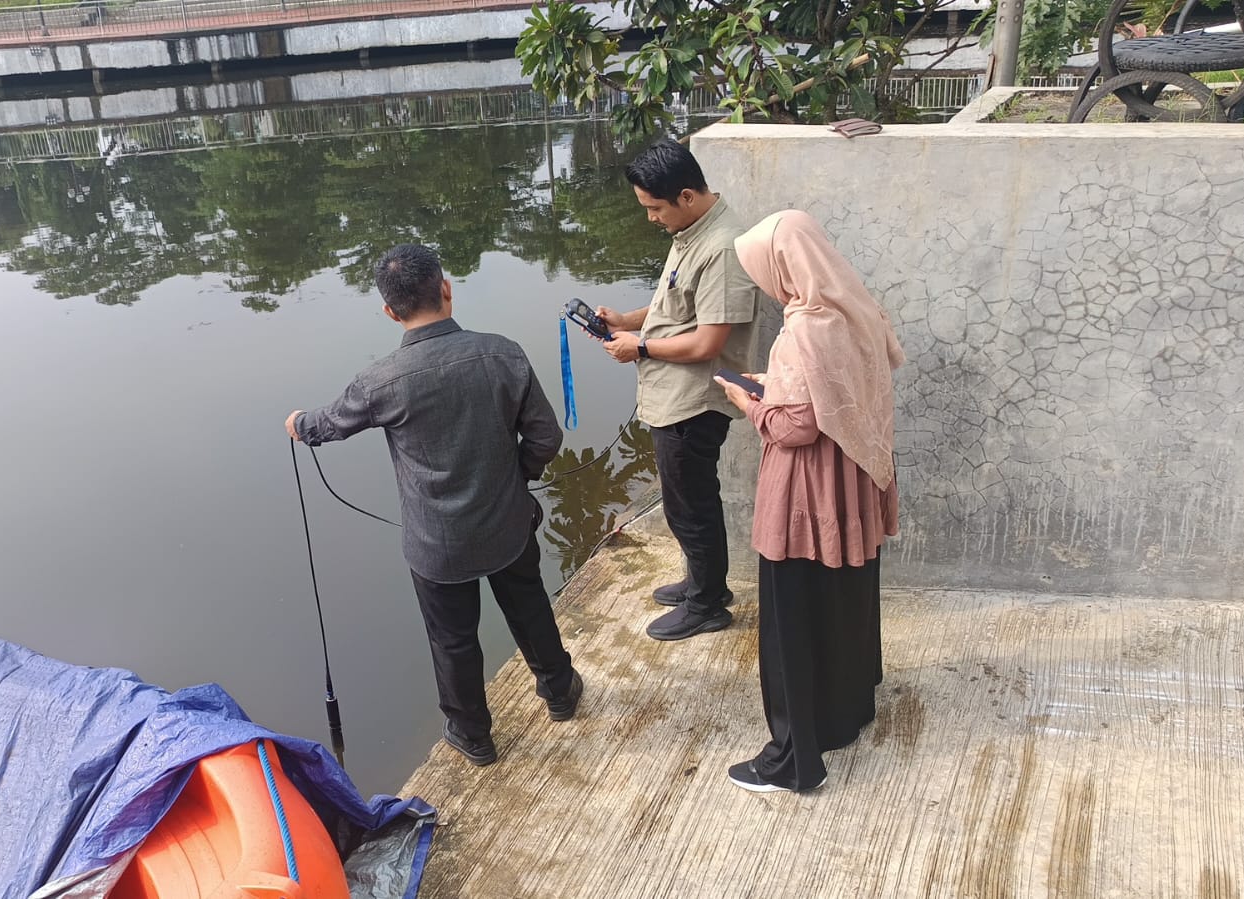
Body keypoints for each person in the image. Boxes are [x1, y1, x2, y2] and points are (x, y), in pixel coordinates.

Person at [284, 244, 581, 767]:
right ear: (446, 288)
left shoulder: (380, 380)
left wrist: (298, 424)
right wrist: (518, 478)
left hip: (436, 543)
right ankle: (559, 692)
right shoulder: (502, 353)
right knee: (530, 608)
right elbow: (545, 437)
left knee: (453, 640)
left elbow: (328, 424)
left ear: (389, 311)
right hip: (508, 523)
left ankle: (473, 735)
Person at [716, 209, 904, 793]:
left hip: (808, 489)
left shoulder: (804, 331)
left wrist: (748, 400)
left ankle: (793, 758)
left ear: (784, 265)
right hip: (853, 479)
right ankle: (847, 712)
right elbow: (838, 394)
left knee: (791, 616)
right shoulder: (856, 311)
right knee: (842, 597)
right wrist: (776, 388)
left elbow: (795, 427)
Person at [593, 138, 762, 641]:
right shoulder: (690, 230)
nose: (651, 219)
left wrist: (639, 349)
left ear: (686, 196)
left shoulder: (723, 248)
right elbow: (673, 304)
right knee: (681, 500)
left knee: (692, 504)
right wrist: (626, 320)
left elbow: (710, 341)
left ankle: (709, 603)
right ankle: (700, 582)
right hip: (672, 395)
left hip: (696, 400)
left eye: (654, 208)